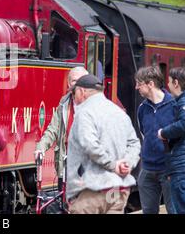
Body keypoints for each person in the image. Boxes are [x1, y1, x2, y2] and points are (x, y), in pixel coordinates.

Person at [66, 74, 141, 214]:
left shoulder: (84, 113)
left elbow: (90, 145)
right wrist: (128, 164)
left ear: (82, 91)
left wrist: (113, 166)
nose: (73, 98)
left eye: (73, 92)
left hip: (91, 192)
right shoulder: (119, 113)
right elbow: (134, 143)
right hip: (118, 190)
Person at [34, 66, 89, 189]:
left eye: (82, 80)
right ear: (69, 83)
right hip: (66, 163)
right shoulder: (64, 103)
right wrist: (40, 148)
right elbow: (52, 130)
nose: (78, 84)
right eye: (75, 81)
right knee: (64, 203)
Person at [135, 66, 175, 214]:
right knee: (148, 210)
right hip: (147, 169)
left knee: (174, 209)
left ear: (150, 84)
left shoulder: (174, 106)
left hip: (169, 169)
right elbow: (144, 134)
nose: (136, 87)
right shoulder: (142, 108)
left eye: (139, 83)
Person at [158, 67, 185, 214]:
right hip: (182, 163)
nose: (167, 86)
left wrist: (164, 132)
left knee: (182, 207)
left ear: (176, 83)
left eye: (169, 82)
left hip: (183, 165)